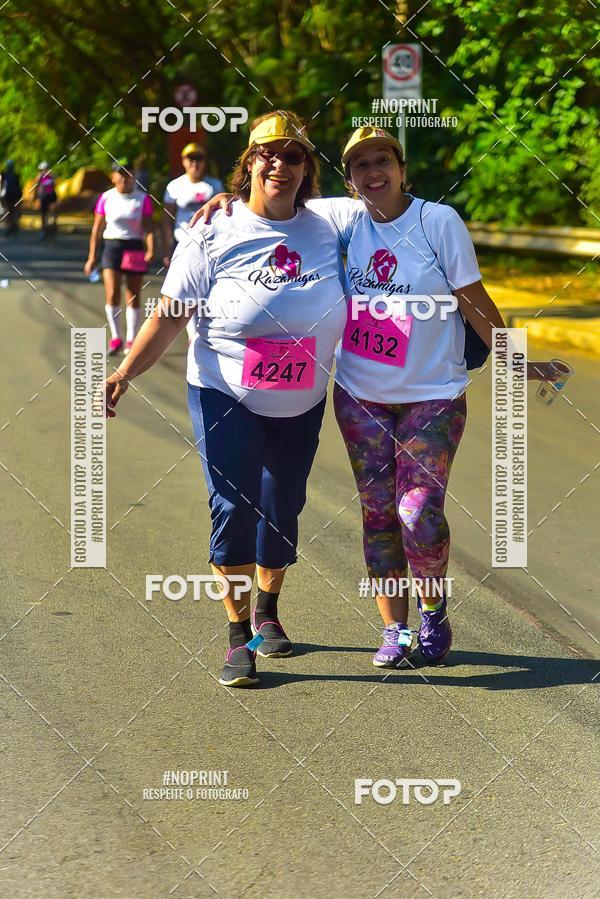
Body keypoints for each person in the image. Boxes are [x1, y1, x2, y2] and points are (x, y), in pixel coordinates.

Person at [193, 126, 559, 671]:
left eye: (382, 161)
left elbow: (473, 300)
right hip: (361, 396)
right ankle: (395, 629)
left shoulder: (438, 222)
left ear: (401, 168)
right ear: (349, 180)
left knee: (418, 510)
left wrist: (516, 360)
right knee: (379, 513)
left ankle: (433, 610)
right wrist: (229, 199)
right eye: (360, 165)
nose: (373, 172)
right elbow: (273, 202)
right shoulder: (341, 221)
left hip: (433, 394)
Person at [103, 112, 346, 688]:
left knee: (282, 505)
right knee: (234, 505)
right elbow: (170, 315)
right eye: (268, 154)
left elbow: (390, 207)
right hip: (224, 391)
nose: (279, 164)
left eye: (293, 155)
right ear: (249, 162)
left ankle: (267, 608)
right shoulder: (213, 231)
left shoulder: (334, 224)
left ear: (307, 169)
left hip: (301, 400)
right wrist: (125, 372)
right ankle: (239, 637)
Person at [84, 161, 154, 355]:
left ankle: (131, 339)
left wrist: (150, 248)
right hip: (112, 247)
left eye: (128, 174)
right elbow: (97, 229)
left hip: (134, 246)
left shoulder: (142, 199)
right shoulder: (106, 198)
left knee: (133, 294)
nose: (124, 178)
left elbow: (148, 227)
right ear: (113, 177)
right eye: (120, 174)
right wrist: (92, 256)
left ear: (134, 176)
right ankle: (116, 337)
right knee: (112, 292)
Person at [161, 143, 224, 343]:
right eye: (191, 158)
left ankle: (203, 331)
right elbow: (167, 219)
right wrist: (166, 248)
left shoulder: (214, 186)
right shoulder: (174, 186)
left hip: (209, 245)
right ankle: (192, 335)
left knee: (206, 290)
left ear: (205, 162)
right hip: (183, 243)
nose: (195, 163)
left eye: (199, 158)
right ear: (184, 161)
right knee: (184, 292)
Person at [36, 162, 57, 239]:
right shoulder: (51, 175)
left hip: (45, 197)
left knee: (44, 214)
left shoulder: (41, 176)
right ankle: (49, 227)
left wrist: (37, 197)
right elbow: (54, 185)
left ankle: (44, 230)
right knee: (50, 212)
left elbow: (38, 187)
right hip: (50, 196)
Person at [0, 160, 22, 235]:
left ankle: (10, 227)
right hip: (15, 195)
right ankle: (13, 225)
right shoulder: (16, 175)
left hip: (8, 195)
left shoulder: (4, 174)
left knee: (8, 211)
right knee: (13, 210)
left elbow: (2, 185)